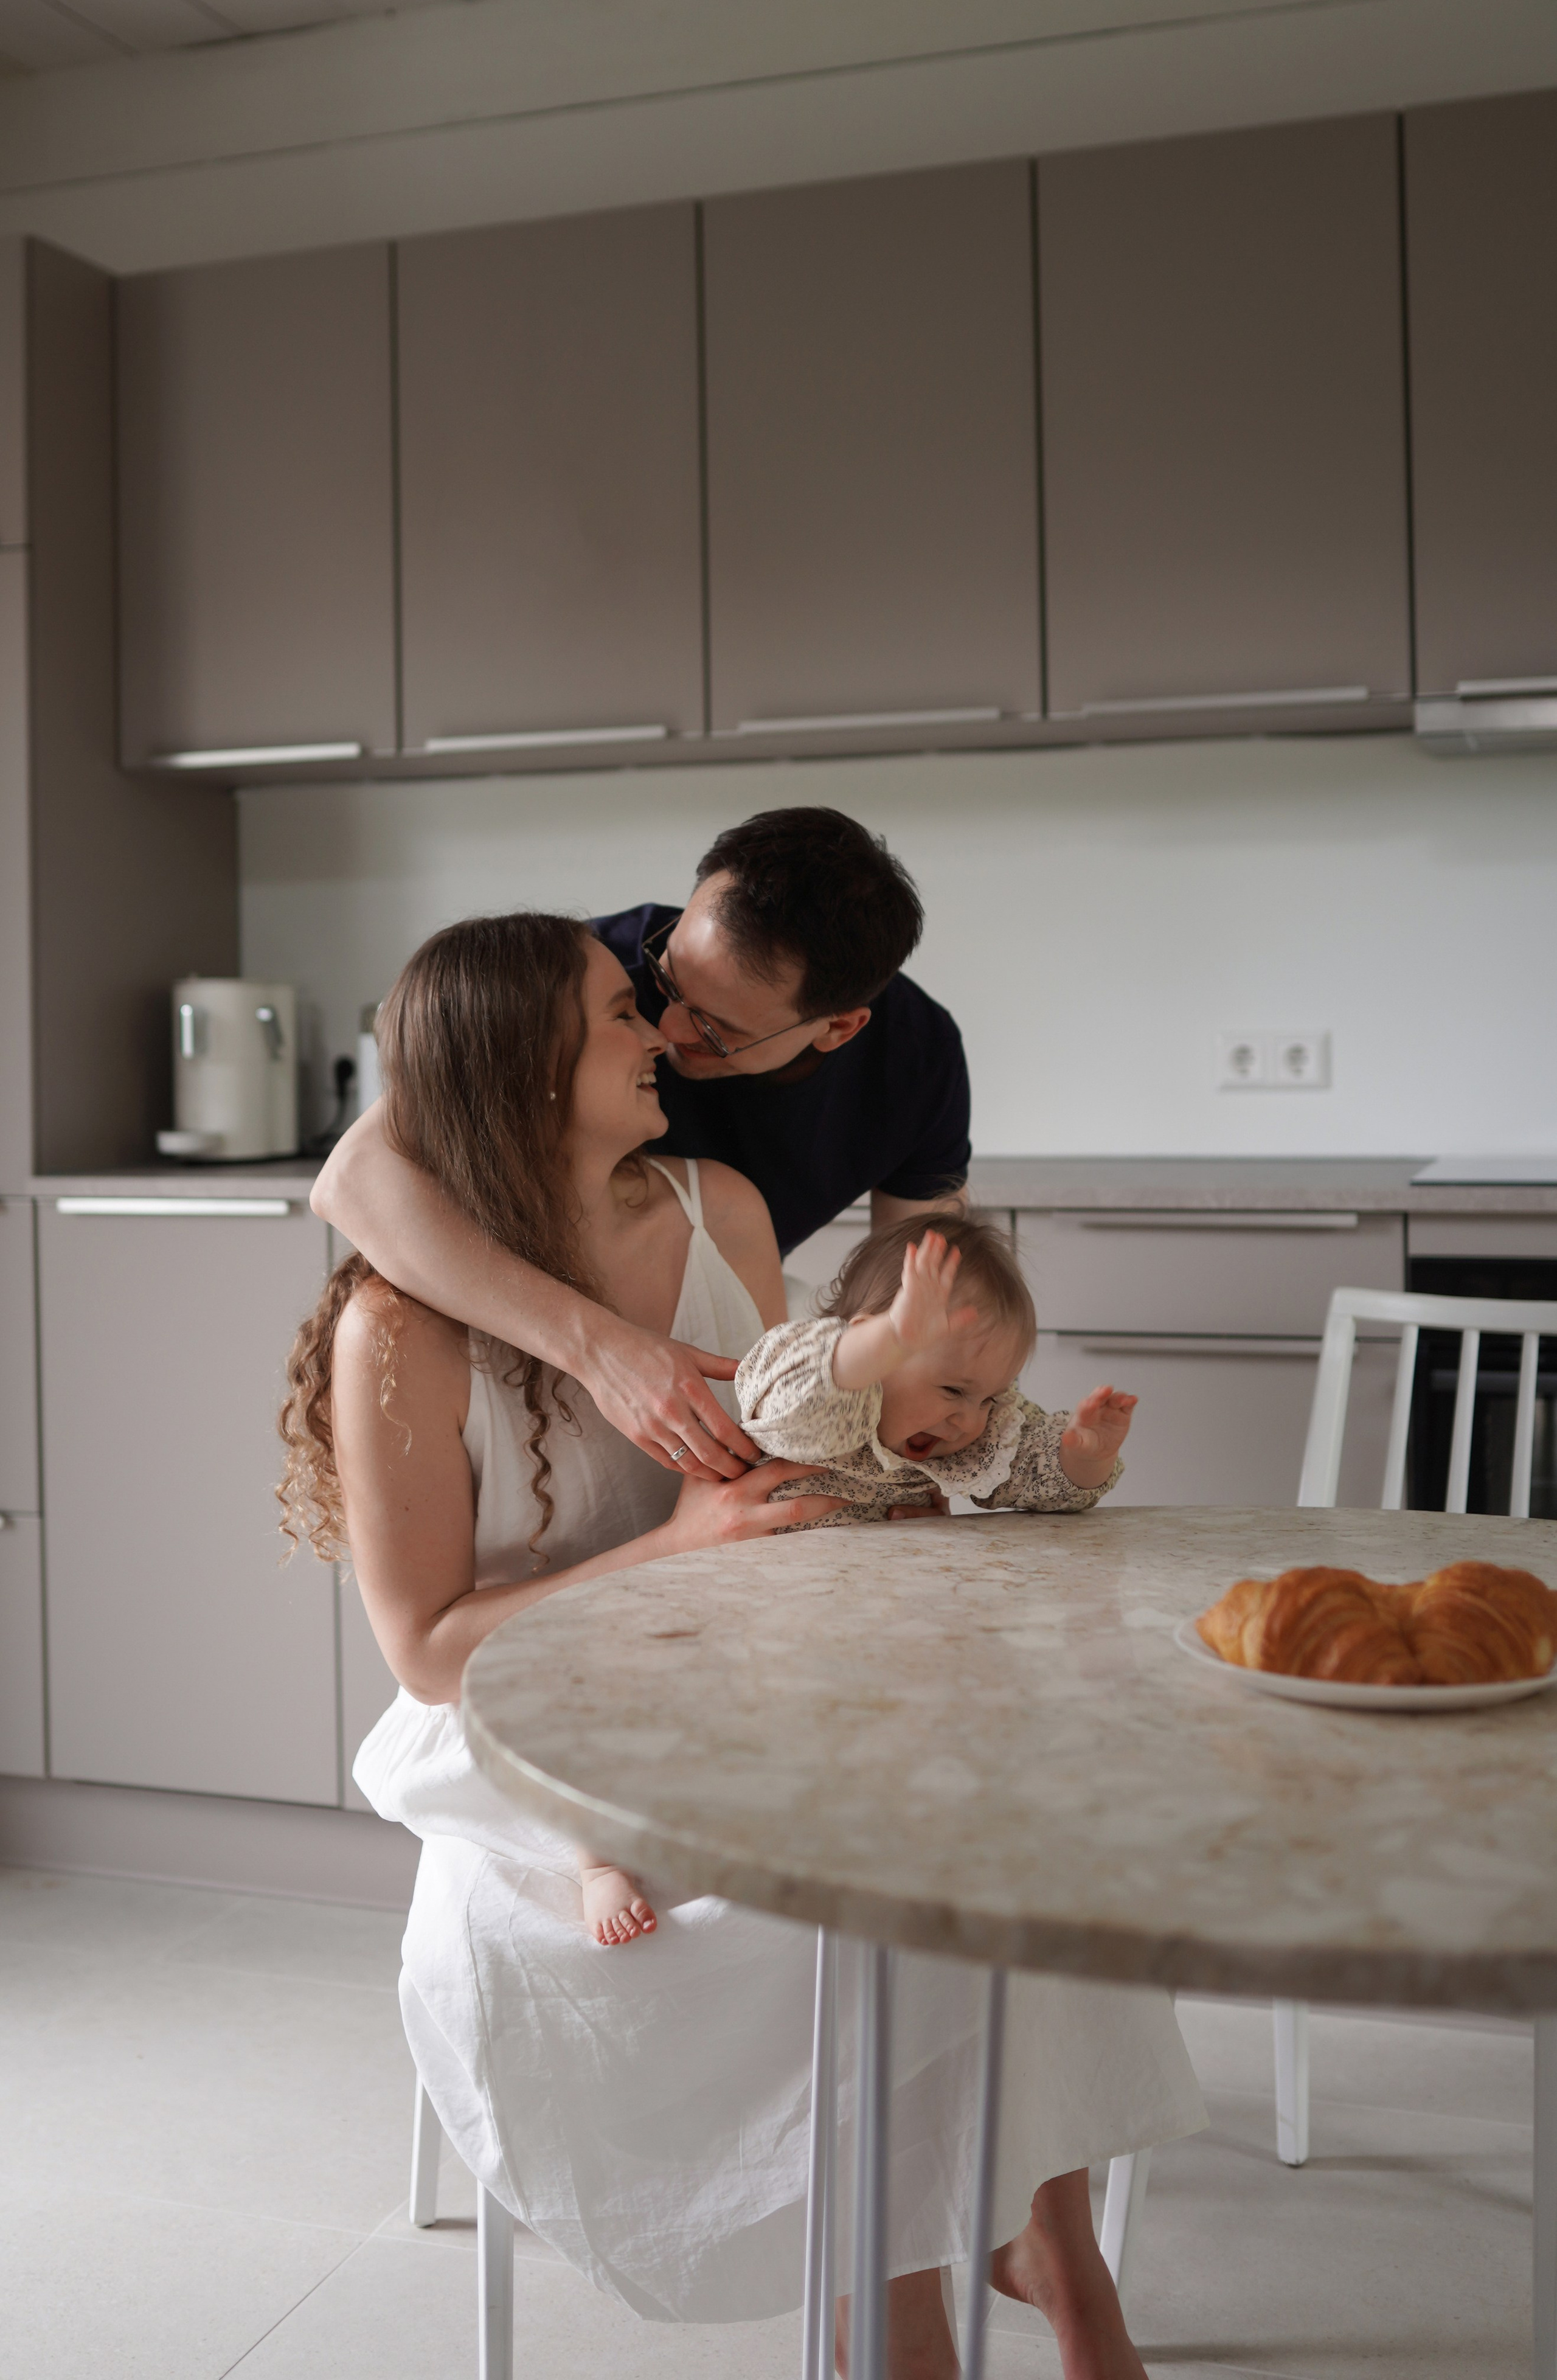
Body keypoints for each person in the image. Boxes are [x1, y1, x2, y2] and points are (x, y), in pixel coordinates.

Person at [282, 908, 1204, 2380]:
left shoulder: (720, 1207)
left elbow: (802, 1447)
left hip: (739, 1672)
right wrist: (667, 1549)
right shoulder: (396, 1326)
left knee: (1012, 1819)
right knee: (860, 1910)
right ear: (524, 1066)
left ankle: (1056, 2259)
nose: (658, 1035)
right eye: (615, 1015)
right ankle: (900, 2325)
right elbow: (429, 1654)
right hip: (534, 1735)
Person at [311, 807, 972, 1487]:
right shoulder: (587, 978)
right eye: (666, 983)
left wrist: (904, 1463)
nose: (664, 1028)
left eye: (715, 1030)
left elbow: (921, 1290)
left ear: (837, 1029)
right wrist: (602, 1351)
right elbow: (353, 1177)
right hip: (523, 1333)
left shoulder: (917, 1062)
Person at [736, 1216, 1140, 1527]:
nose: (970, 1420)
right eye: (952, 1390)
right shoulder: (819, 1408)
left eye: (989, 1398)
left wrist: (1081, 1456)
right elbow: (794, 1401)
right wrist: (888, 1339)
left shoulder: (975, 1442)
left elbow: (1034, 1470)